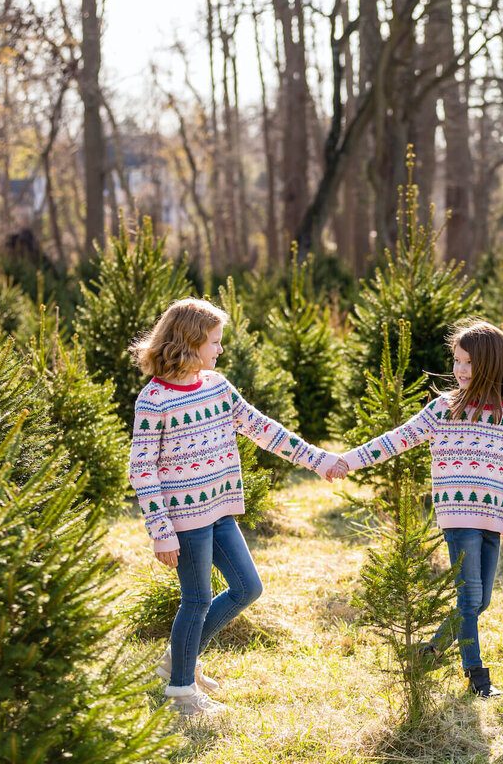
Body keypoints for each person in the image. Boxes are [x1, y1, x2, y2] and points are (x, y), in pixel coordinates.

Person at [128, 297, 341, 716]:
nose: (220, 350)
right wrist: (161, 530)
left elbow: (263, 428)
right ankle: (181, 694)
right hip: (184, 519)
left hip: (219, 509)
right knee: (197, 599)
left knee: (247, 588)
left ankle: (178, 660)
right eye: (214, 342)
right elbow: (142, 470)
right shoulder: (154, 399)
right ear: (188, 342)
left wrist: (317, 460)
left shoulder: (217, 386)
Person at [330, 320, 503, 698]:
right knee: (469, 598)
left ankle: (429, 651)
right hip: (458, 516)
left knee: (481, 600)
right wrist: (346, 461)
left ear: (492, 364)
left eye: (468, 363)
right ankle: (477, 676)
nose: (460, 370)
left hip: (494, 516)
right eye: (456, 361)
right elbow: (395, 440)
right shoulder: (442, 409)